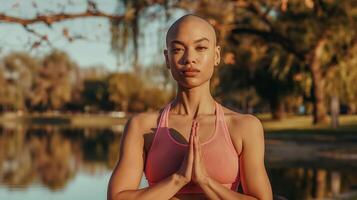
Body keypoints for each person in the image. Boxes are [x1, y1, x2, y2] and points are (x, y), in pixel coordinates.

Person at [107, 14, 272, 200]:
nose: (189, 58)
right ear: (167, 58)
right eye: (178, 49)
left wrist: (205, 181)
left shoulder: (244, 127)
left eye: (200, 48)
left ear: (216, 55)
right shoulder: (141, 127)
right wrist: (178, 179)